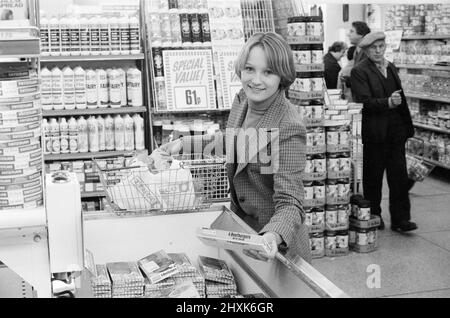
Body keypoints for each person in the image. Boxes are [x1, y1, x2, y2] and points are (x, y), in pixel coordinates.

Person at [157, 32, 312, 263]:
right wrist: (183, 144)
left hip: (276, 249)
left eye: (268, 72)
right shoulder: (243, 100)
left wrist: (271, 236)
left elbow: (291, 203)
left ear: (283, 76)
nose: (256, 80)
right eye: (250, 69)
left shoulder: (288, 126)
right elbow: (236, 141)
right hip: (244, 232)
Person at [350, 31, 417, 232]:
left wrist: (408, 128)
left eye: (381, 46)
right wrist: (387, 102)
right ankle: (374, 216)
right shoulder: (359, 71)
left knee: (399, 178)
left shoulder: (391, 67)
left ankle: (401, 219)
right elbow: (363, 101)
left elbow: (401, 99)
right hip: (375, 133)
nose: (378, 51)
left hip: (396, 133)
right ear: (367, 50)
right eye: (374, 48)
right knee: (374, 177)